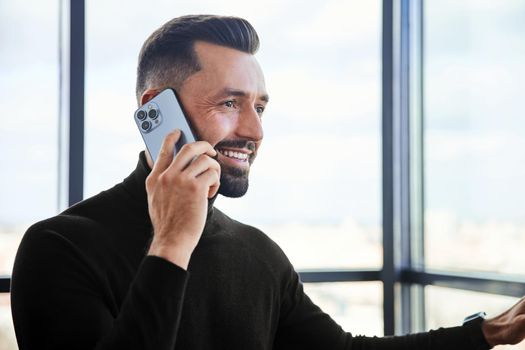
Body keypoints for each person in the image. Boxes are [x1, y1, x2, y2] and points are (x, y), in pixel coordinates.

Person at [9, 14, 525, 350]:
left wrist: (487, 333)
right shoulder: (59, 247)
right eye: (230, 103)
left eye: (259, 107)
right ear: (156, 112)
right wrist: (169, 245)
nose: (254, 131)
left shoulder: (256, 253)